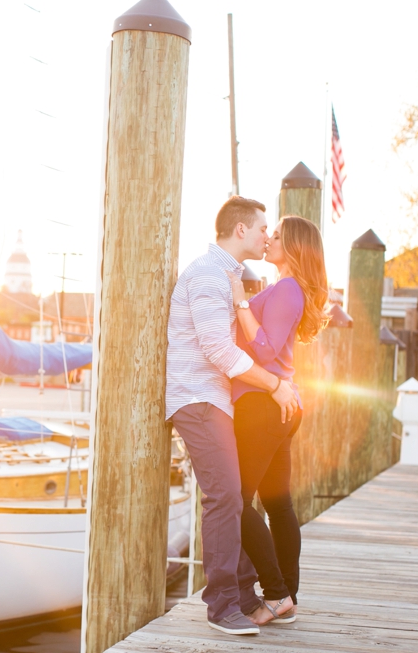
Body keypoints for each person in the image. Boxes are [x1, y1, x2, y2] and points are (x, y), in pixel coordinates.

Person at [166, 196, 300, 636]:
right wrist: (275, 384)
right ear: (240, 230)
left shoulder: (230, 276)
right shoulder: (207, 274)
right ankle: (223, 605)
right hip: (197, 398)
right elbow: (217, 350)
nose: (268, 235)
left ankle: (247, 598)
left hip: (217, 400)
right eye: (263, 228)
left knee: (234, 498)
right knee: (226, 497)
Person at [226, 215, 329, 625]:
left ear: (293, 247)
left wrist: (239, 300)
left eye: (276, 235)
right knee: (277, 503)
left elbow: (265, 353)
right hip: (277, 405)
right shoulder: (283, 288)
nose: (267, 238)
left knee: (234, 501)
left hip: (264, 406)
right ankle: (287, 597)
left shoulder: (287, 289)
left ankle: (276, 592)